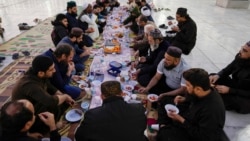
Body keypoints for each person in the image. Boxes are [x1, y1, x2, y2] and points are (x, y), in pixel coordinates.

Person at [156, 68, 225, 141]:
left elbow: (203, 136)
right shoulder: (205, 90)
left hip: (195, 132)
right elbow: (194, 98)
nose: (186, 87)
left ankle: (165, 127)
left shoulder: (211, 110)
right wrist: (185, 99)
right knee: (164, 100)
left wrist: (181, 120)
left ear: (198, 89)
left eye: (188, 85)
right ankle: (164, 125)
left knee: (165, 135)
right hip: (190, 114)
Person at [12, 55, 75, 135]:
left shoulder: (37, 74)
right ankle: (50, 126)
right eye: (51, 69)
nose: (54, 71)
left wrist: (62, 95)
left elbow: (49, 86)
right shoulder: (30, 85)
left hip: (36, 103)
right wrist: (65, 96)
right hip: (26, 117)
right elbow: (50, 101)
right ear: (41, 73)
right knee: (55, 104)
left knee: (64, 101)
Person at [75, 81, 147, 141]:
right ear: (122, 94)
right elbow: (142, 128)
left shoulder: (92, 115)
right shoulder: (138, 109)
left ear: (102, 96)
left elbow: (79, 136)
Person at [209, 41, 250, 114]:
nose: (240, 51)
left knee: (239, 103)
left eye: (244, 50)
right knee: (212, 77)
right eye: (242, 48)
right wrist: (217, 75)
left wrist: (230, 90)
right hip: (236, 85)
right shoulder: (240, 56)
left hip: (245, 95)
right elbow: (228, 69)